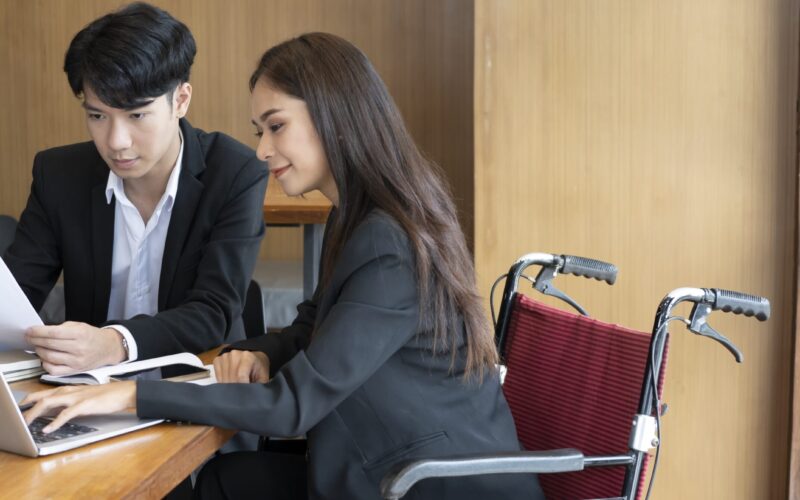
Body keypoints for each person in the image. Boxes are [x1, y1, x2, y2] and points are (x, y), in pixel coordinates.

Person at [22, 33, 544, 499]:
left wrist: (129, 395)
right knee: (221, 482)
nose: (261, 151)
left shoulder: (389, 243)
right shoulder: (357, 216)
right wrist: (258, 351)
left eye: (276, 127)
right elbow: (311, 329)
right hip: (379, 463)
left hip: (429, 481)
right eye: (259, 130)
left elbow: (294, 406)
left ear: (335, 115)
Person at [3, 2, 268, 375]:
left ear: (181, 100)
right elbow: (15, 297)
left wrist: (114, 342)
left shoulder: (234, 172)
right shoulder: (59, 174)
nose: (116, 142)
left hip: (198, 387)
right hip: (89, 391)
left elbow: (213, 312)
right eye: (97, 116)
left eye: (137, 115)